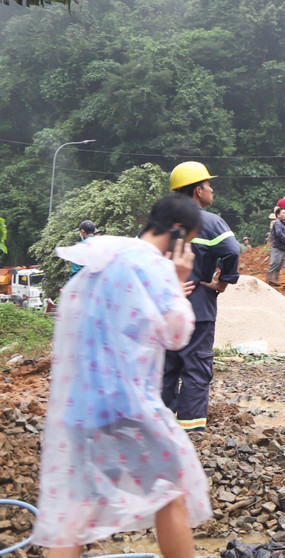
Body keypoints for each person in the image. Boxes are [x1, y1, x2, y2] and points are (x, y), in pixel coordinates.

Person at [34, 193, 211, 558]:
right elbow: (177, 334)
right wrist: (178, 281)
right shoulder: (153, 267)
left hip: (82, 407)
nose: (188, 251)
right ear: (178, 233)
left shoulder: (104, 259)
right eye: (189, 242)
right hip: (128, 406)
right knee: (174, 491)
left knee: (76, 511)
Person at [163, 161, 240, 433]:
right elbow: (232, 251)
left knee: (165, 369)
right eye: (209, 185)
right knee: (195, 369)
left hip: (164, 312)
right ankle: (192, 432)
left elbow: (140, 262)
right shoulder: (210, 222)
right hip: (198, 311)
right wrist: (223, 282)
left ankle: (162, 429)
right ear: (198, 191)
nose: (212, 190)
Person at [267, 207, 285, 287]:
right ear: (278, 215)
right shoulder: (277, 223)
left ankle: (274, 281)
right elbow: (279, 233)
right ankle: (268, 281)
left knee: (279, 265)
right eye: (283, 213)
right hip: (277, 247)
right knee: (274, 263)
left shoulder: (282, 223)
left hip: (282, 247)